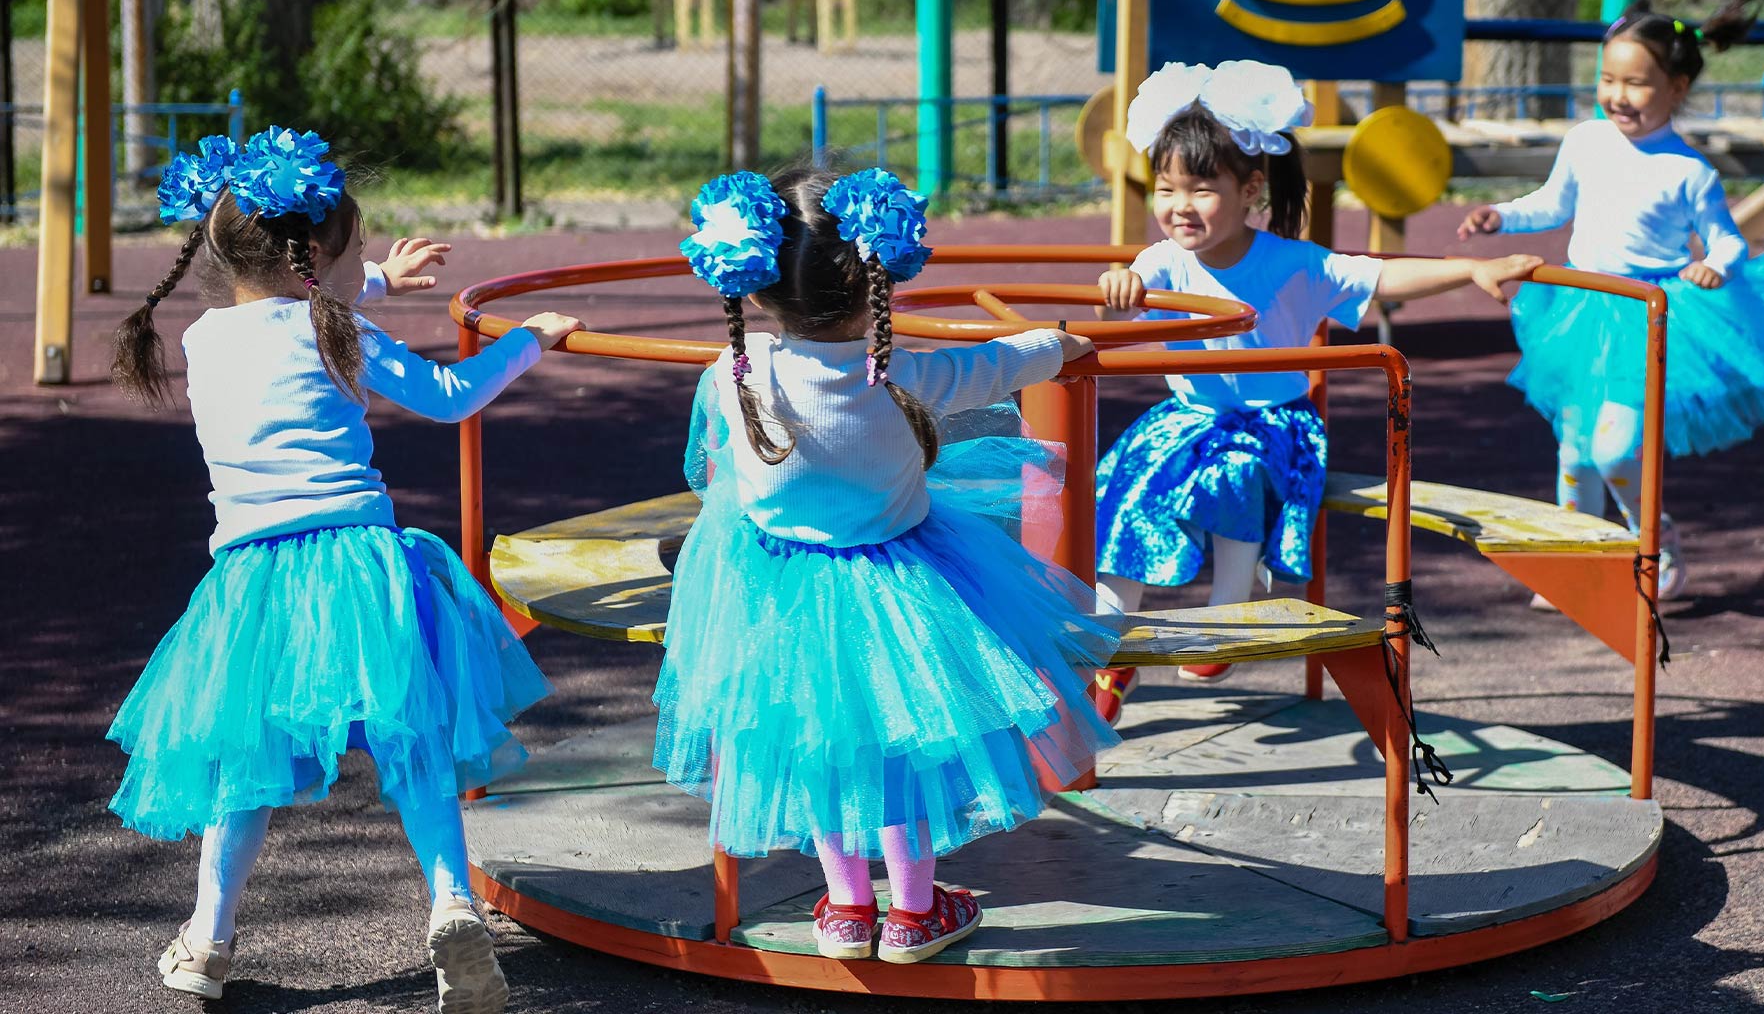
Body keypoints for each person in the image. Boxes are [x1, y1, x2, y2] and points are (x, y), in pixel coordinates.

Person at [106, 127, 582, 1014]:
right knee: (417, 741)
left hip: (252, 583)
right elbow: (450, 399)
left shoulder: (205, 340)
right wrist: (529, 341)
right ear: (314, 259)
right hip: (362, 569)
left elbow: (280, 305)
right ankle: (450, 900)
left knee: (243, 766)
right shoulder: (340, 331)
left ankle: (208, 938)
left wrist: (367, 283)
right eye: (353, 250)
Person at [653, 167, 1121, 965]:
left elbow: (709, 467)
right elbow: (1002, 363)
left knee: (819, 743)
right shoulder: (901, 373)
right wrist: (1063, 343)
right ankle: (912, 911)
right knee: (903, 746)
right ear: (881, 284)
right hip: (900, 590)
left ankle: (843, 906)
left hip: (772, 591)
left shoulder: (732, 373)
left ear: (757, 291)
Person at [1091, 61, 1541, 720]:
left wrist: (1472, 268)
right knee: (1127, 485)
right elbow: (1112, 312)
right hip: (1186, 420)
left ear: (1250, 190)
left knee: (1236, 477)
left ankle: (1226, 620)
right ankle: (1108, 649)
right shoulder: (1161, 261)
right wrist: (1115, 288)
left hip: (1276, 426)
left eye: (1200, 188)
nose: (1179, 205)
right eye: (1166, 187)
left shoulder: (1292, 263)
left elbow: (1382, 278)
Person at [1459, 0, 1764, 606]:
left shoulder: (1688, 171)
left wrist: (1716, 265)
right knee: (1576, 450)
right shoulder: (1585, 141)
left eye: (1636, 83)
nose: (1618, 95)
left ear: (1676, 87)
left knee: (1614, 448)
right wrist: (1500, 216)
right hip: (1581, 306)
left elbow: (1728, 239)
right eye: (1608, 79)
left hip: (1649, 316)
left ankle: (1652, 539)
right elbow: (1553, 204)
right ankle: (1574, 563)